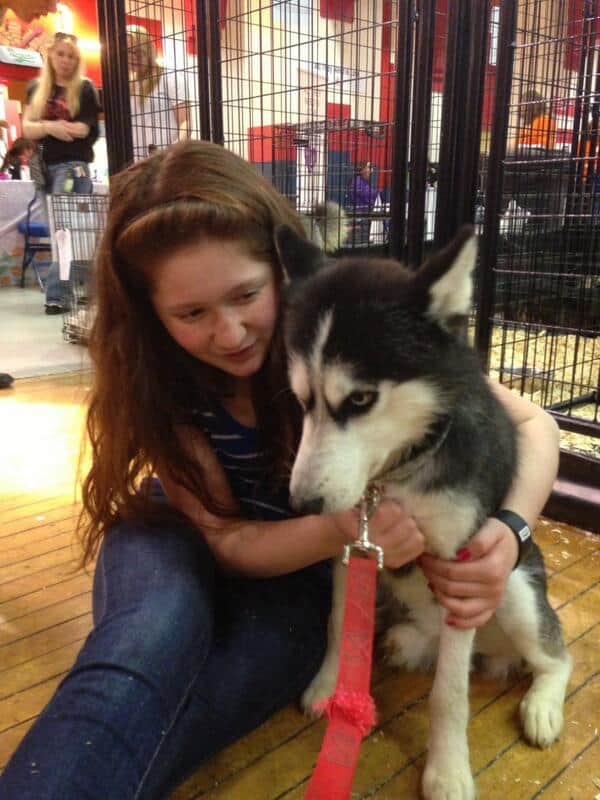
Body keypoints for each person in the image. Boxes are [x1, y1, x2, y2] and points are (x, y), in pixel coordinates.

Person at [0, 140, 560, 800]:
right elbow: (226, 542)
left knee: (227, 691)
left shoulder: (336, 334)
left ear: (284, 276)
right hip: (177, 535)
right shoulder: (161, 383)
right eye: (191, 313)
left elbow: (537, 424)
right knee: (141, 652)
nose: (231, 332)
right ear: (151, 314)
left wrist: (511, 529)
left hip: (295, 577)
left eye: (246, 294)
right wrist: (345, 529)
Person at [22, 31, 101, 314]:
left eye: (71, 55)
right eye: (60, 54)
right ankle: (77, 291)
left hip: (72, 168)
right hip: (44, 169)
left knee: (69, 232)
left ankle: (57, 294)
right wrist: (53, 127)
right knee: (64, 234)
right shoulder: (36, 88)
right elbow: (27, 128)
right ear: (51, 56)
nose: (65, 60)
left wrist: (44, 126)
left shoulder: (85, 89)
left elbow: (84, 129)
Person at [127, 25, 191, 161]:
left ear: (148, 51)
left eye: (137, 52)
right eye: (128, 52)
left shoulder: (169, 77)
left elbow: (185, 122)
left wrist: (172, 154)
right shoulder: (128, 86)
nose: (132, 57)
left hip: (165, 162)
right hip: (136, 164)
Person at [344, 159, 380, 245]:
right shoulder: (357, 182)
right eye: (369, 167)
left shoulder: (364, 182)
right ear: (362, 170)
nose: (371, 170)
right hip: (361, 216)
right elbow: (371, 195)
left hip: (365, 214)